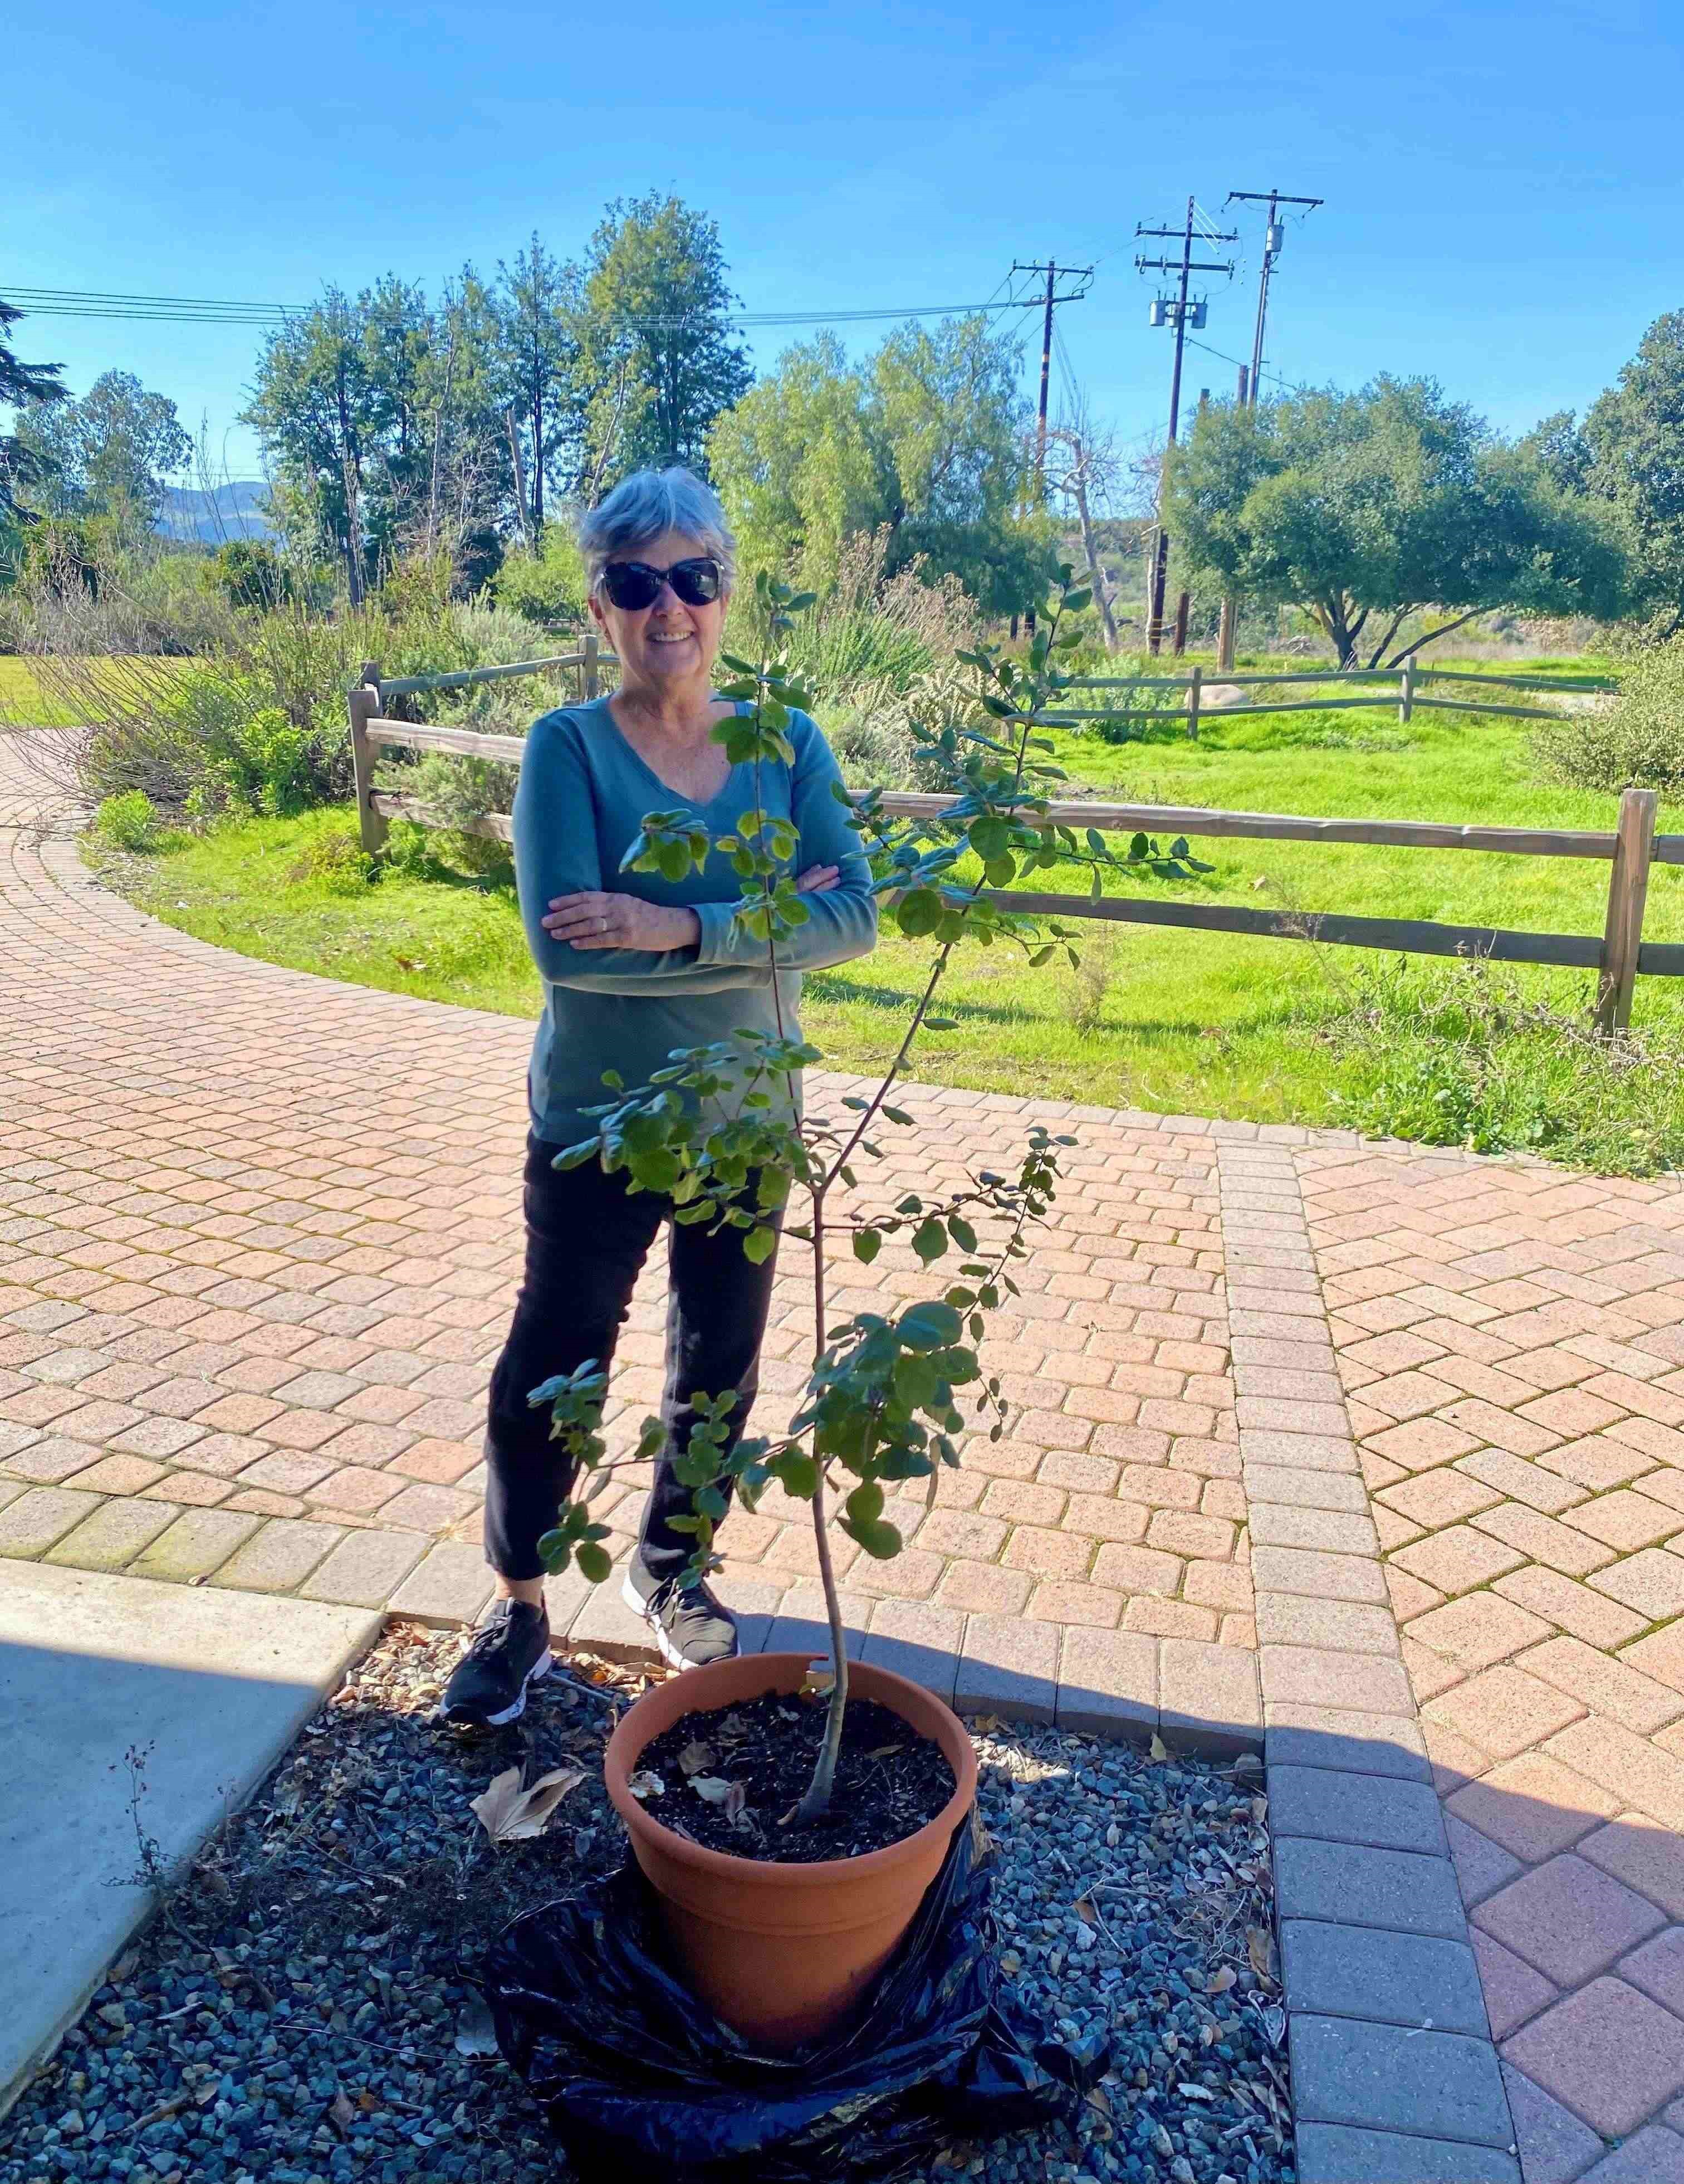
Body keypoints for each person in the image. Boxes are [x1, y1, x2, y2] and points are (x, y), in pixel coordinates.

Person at [442, 467, 878, 1728]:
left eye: (694, 577)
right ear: (601, 608)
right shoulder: (565, 748)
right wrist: (756, 924)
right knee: (553, 1360)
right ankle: (519, 1598)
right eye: (637, 583)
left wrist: (671, 923)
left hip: (745, 1119)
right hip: (598, 1124)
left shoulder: (783, 741)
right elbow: (569, 946)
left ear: (726, 592)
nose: (668, 606)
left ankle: (670, 1564)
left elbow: (849, 914)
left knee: (720, 1365)